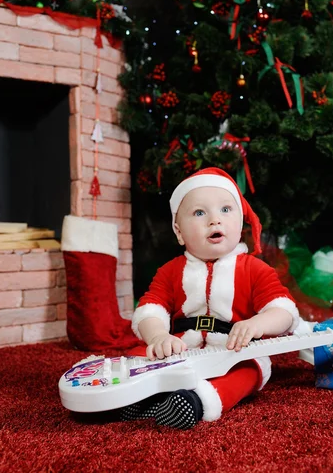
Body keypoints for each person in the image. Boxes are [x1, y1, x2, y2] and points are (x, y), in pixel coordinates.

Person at [120, 167, 299, 429]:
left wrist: (257, 324)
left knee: (248, 372)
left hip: (234, 350)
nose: (215, 220)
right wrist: (158, 336)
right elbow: (150, 309)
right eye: (200, 213)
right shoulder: (170, 271)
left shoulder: (255, 269)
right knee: (139, 357)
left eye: (226, 210)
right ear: (179, 232)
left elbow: (283, 310)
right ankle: (140, 397)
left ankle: (195, 402)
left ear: (240, 222)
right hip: (181, 349)